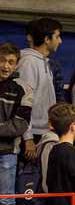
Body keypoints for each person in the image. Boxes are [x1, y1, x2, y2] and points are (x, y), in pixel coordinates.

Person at [16, 18, 62, 159]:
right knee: (26, 180)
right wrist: (28, 137)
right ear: (47, 39)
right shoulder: (28, 62)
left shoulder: (46, 62)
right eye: (57, 36)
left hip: (45, 132)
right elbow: (23, 103)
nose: (60, 41)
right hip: (32, 135)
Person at [0, 43, 32, 205]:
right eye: (2, 60)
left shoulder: (22, 89)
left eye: (11, 62)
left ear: (16, 65)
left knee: (6, 203)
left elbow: (20, 125)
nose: (5, 66)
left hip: (7, 154)